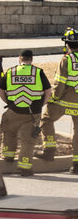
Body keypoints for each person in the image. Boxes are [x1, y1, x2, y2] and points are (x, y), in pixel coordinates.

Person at [0, 49, 51, 176]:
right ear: (31, 59)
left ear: (19, 58)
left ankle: (8, 155)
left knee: (9, 132)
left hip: (13, 110)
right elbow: (48, 91)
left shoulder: (11, 71)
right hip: (32, 114)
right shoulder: (38, 72)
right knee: (28, 140)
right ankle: (25, 167)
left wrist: (8, 103)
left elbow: (0, 90)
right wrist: (41, 105)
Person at [40, 28, 78, 171]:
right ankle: (77, 165)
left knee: (46, 120)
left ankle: (48, 150)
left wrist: (53, 98)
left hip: (63, 102)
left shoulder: (66, 60)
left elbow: (60, 83)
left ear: (67, 44)